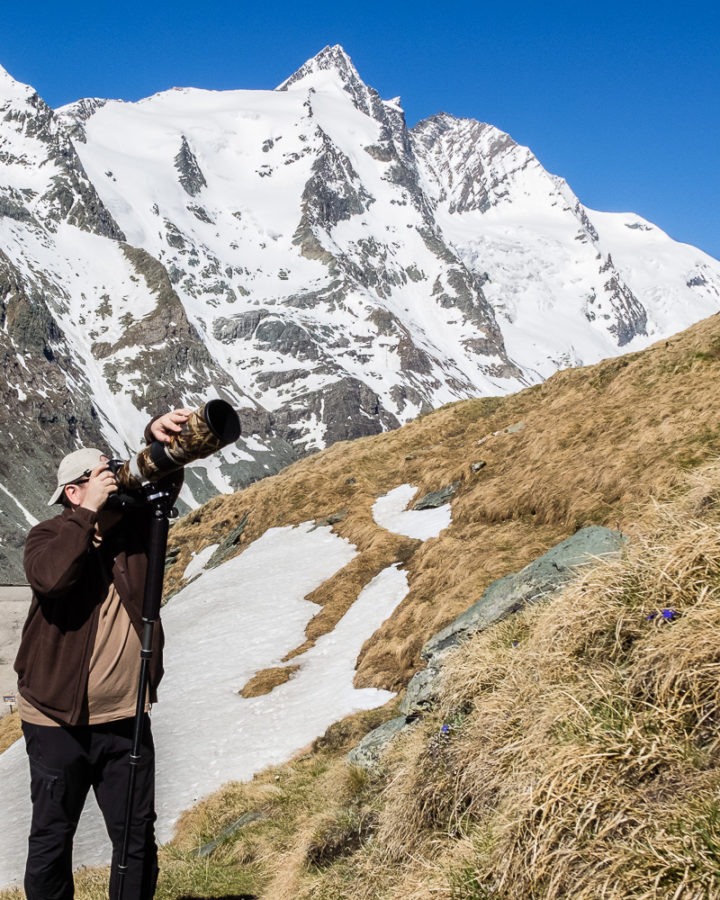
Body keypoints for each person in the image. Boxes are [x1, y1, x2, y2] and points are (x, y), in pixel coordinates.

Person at [14, 408, 191, 900]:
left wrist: (156, 432)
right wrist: (87, 514)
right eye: (99, 476)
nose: (111, 480)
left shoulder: (133, 530)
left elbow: (164, 481)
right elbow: (52, 578)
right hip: (55, 723)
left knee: (135, 839)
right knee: (52, 837)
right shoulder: (47, 535)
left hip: (124, 718)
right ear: (73, 491)